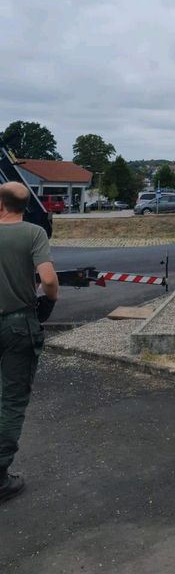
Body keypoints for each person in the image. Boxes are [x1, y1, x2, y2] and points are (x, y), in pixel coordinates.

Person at [0, 181, 58, 503]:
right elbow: (47, 279)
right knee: (10, 399)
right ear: (24, 206)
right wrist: (50, 298)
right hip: (19, 325)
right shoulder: (34, 233)